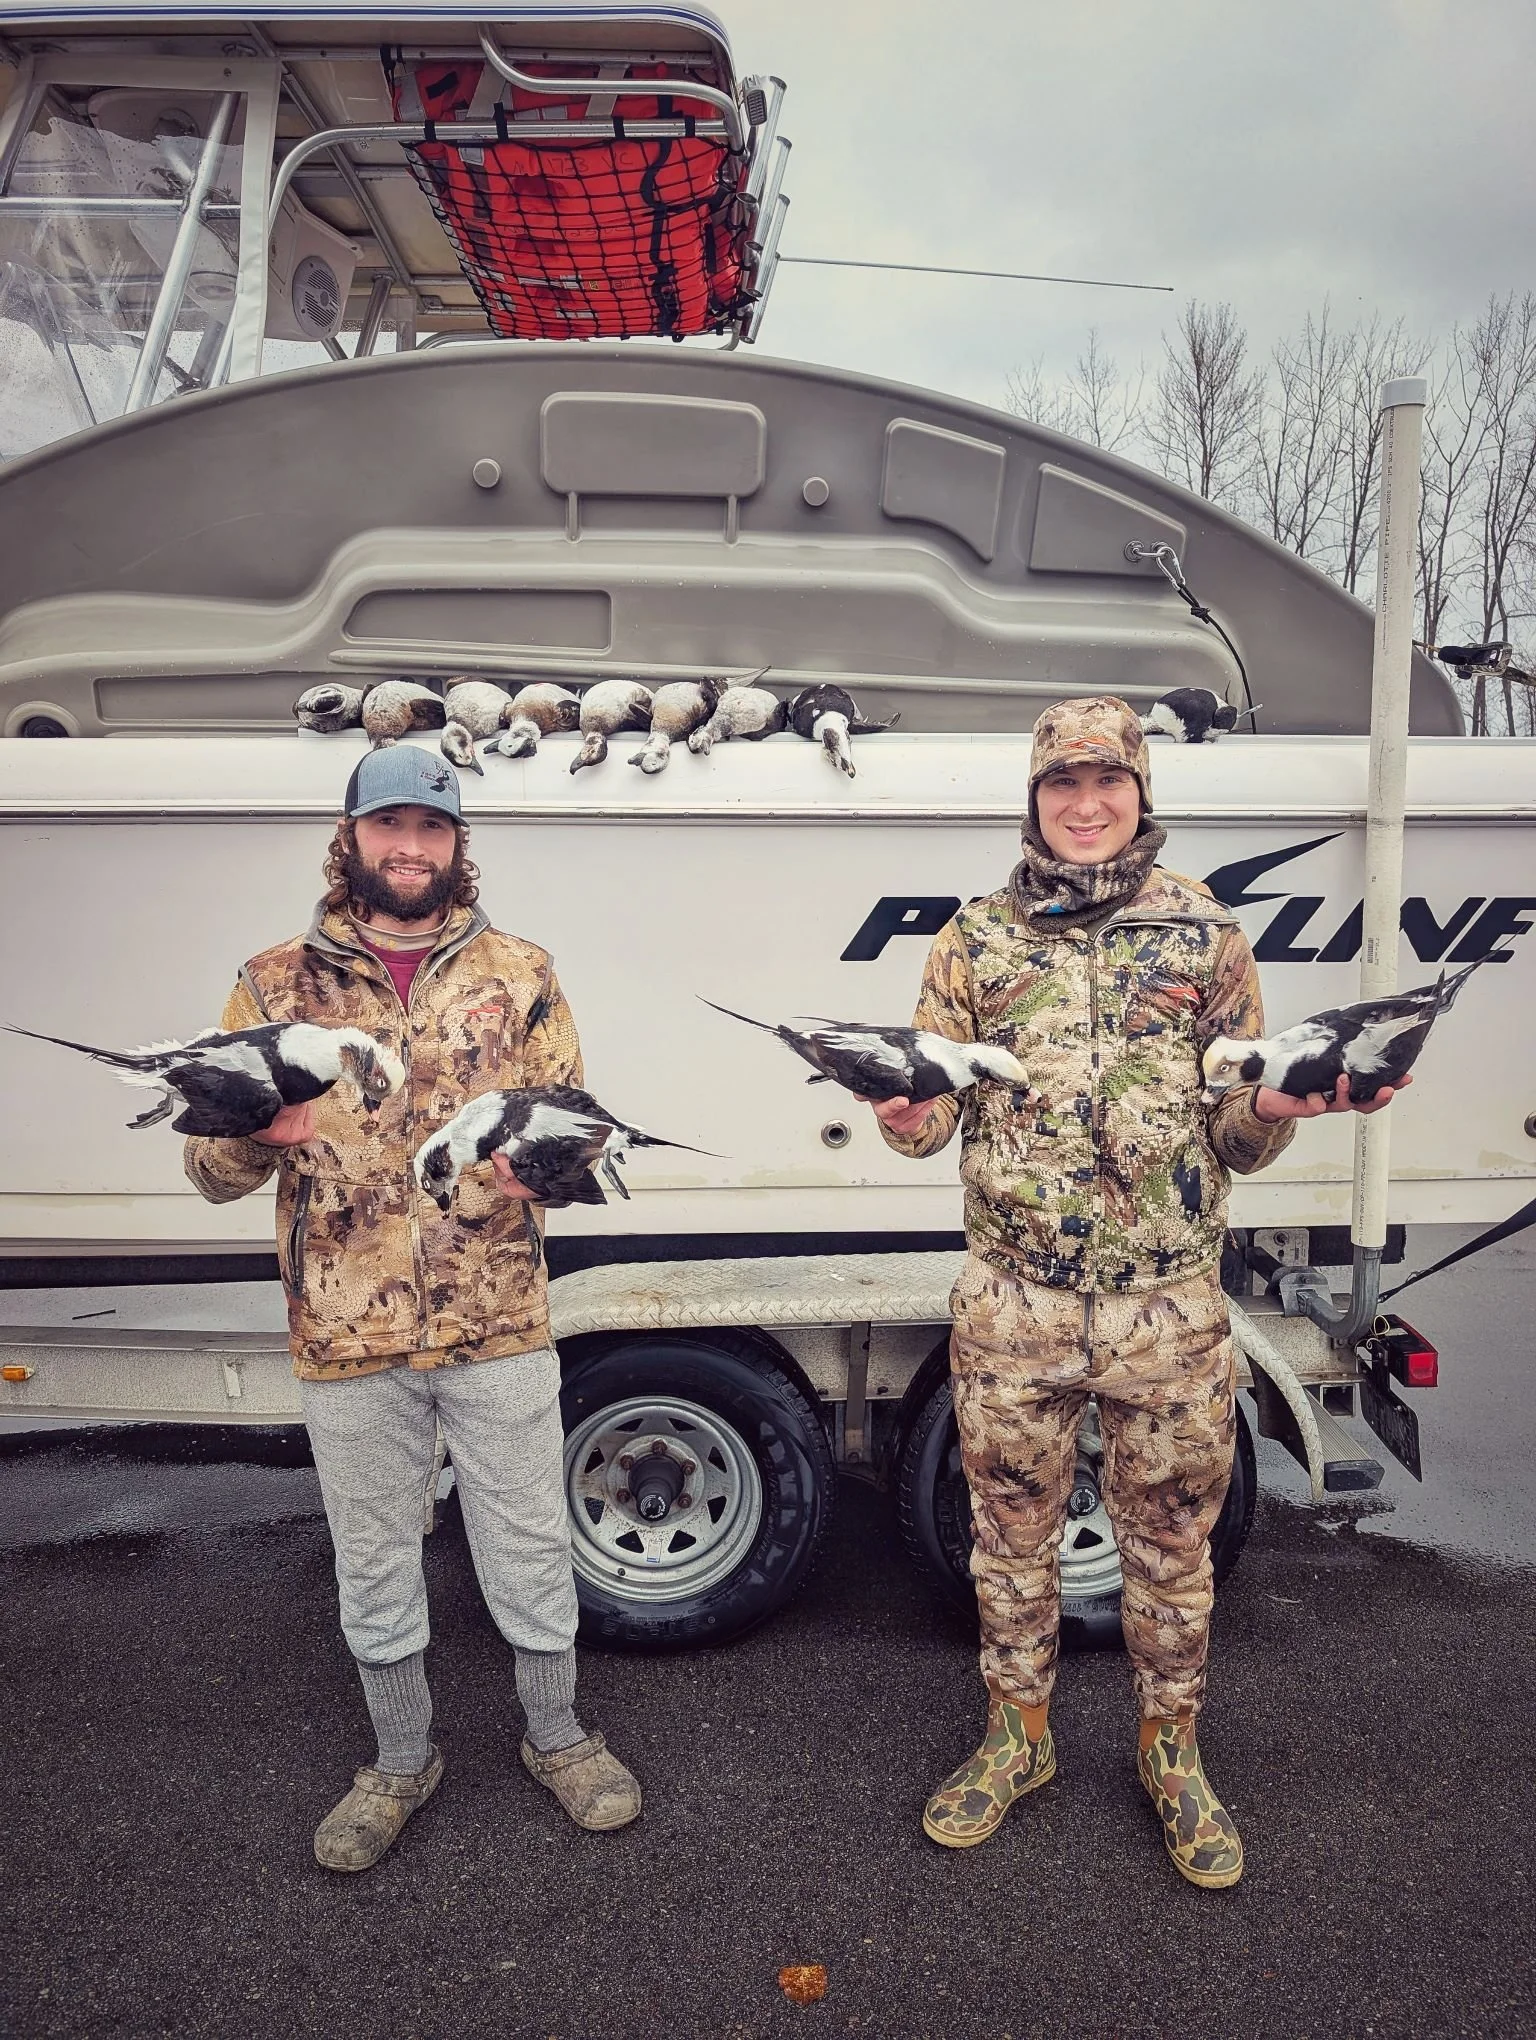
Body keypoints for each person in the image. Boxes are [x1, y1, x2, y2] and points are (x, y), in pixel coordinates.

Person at [872, 696, 1406, 1887]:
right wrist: (905, 1112)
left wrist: (1275, 1106)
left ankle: (1173, 1755)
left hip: (1167, 1308)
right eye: (1063, 785)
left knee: (1170, 1544)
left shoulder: (1207, 936)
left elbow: (1237, 1129)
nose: (1085, 805)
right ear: (1036, 798)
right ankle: (1018, 1739)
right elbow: (929, 1116)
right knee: (1010, 1541)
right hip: (1015, 1306)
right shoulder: (973, 940)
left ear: (1139, 794)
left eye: (1107, 783)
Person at [185, 744, 640, 1871]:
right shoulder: (272, 983)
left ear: (456, 844)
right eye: (388, 827)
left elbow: (577, 1125)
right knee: (376, 1558)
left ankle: (560, 1738)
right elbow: (206, 1164)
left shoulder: (522, 973)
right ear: (350, 838)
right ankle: (399, 1762)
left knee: (531, 1547)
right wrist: (257, 1135)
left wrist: (555, 1167)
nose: (408, 848)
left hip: (498, 1323)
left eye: (430, 829)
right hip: (345, 1333)